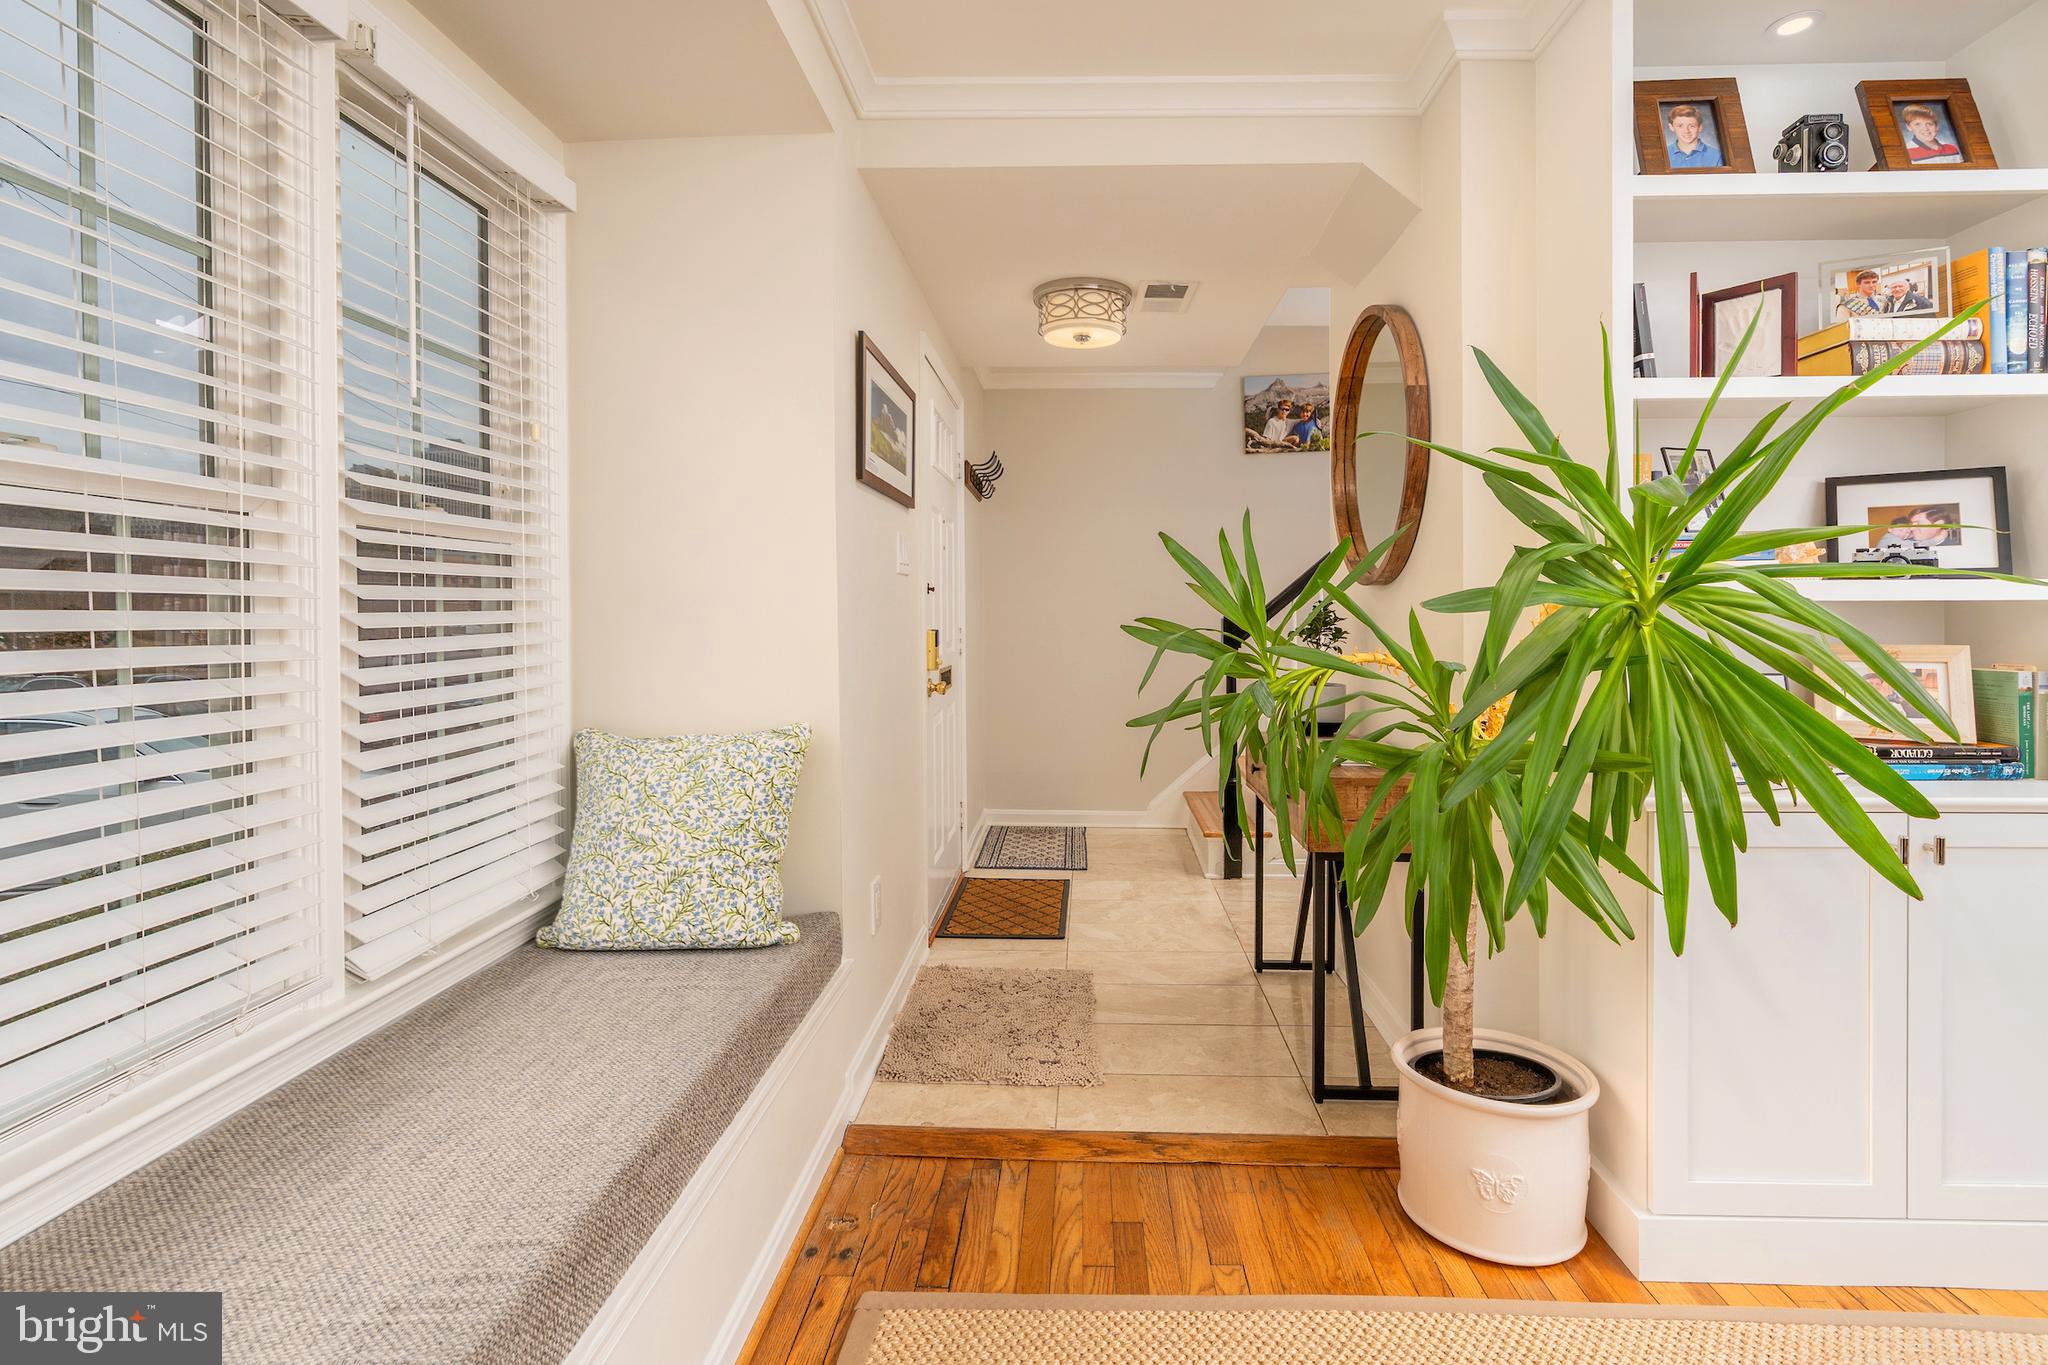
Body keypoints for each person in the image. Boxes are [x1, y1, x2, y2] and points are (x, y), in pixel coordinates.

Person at [1664, 104, 1724, 169]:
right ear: (1671, 127)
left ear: (1700, 127)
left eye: (1692, 126)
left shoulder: (1717, 156)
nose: (1686, 131)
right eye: (1680, 126)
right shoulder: (1663, 155)